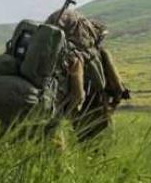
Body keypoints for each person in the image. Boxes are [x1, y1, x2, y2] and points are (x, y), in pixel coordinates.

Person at [46, 9, 129, 142]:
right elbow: (116, 84)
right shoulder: (94, 55)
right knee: (97, 144)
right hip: (95, 104)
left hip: (74, 107)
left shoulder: (55, 58)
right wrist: (117, 97)